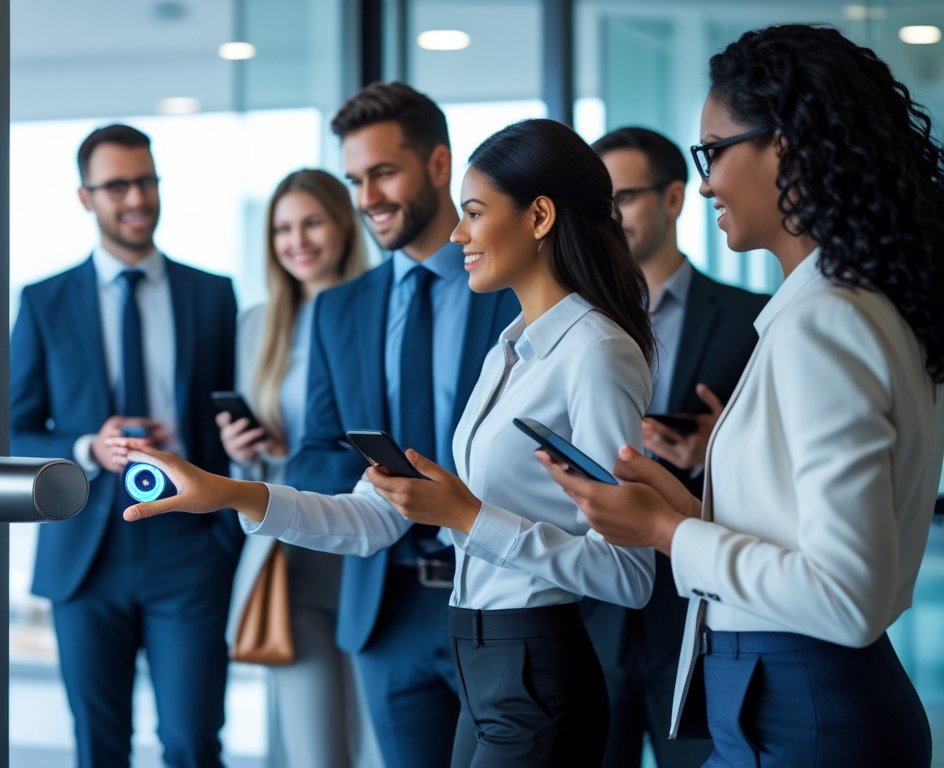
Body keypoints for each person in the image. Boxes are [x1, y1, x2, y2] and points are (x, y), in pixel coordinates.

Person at [114, 118, 660, 767]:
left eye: (475, 212)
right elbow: (374, 518)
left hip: (536, 666)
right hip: (485, 660)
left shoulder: (597, 353)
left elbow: (629, 574)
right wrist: (231, 492)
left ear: (538, 216)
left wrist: (468, 517)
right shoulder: (510, 350)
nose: (458, 233)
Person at [540, 24, 944, 767]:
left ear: (784, 145)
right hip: (792, 698)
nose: (704, 184)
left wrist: (668, 535)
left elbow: (845, 596)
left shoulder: (827, 322)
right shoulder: (844, 306)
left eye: (713, 151)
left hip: (802, 708)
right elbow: (807, 543)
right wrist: (684, 511)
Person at [277, 81, 521, 768]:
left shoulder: (511, 286)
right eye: (356, 179)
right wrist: (375, 478)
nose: (367, 197)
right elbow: (312, 456)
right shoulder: (339, 309)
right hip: (384, 609)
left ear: (439, 165)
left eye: (384, 172)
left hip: (499, 595)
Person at [9, 124, 242, 767]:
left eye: (146, 180)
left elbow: (232, 417)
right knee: (99, 746)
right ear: (86, 198)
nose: (135, 197)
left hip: (189, 546)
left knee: (194, 743)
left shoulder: (213, 294)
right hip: (87, 552)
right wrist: (89, 445)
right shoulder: (44, 301)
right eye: (117, 186)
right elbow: (13, 431)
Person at [580, 126, 766, 768]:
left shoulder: (753, 318)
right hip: (595, 604)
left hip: (699, 609)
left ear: (675, 199)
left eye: (624, 197)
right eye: (600, 202)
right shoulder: (579, 327)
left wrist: (715, 454)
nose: (611, 217)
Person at [218, 168, 370, 768]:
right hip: (292, 551)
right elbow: (251, 462)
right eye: (283, 228)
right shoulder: (258, 324)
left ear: (342, 225)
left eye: (311, 222)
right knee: (315, 750)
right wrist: (240, 446)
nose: (297, 241)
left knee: (382, 743)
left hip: (369, 545)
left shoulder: (378, 310)